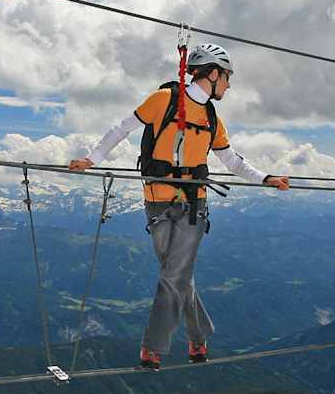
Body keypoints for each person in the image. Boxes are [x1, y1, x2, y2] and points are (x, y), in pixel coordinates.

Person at [69, 43, 290, 370]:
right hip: (157, 201)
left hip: (193, 205)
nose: (229, 85)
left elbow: (232, 160)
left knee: (174, 274)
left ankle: (152, 347)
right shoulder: (163, 100)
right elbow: (122, 128)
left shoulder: (212, 117)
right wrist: (93, 159)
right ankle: (199, 335)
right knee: (178, 275)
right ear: (212, 74)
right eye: (227, 77)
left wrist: (266, 177)